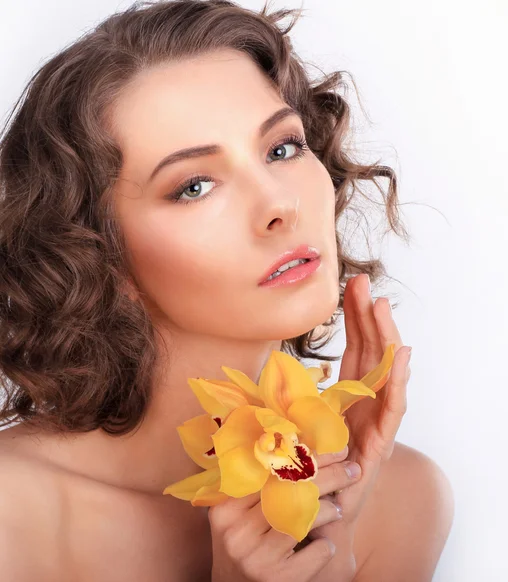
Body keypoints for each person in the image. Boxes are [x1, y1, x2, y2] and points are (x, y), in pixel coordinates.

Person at [0, 1, 454, 580]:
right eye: (194, 186)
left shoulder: (399, 498)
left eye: (283, 148)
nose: (278, 206)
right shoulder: (12, 517)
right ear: (95, 253)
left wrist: (322, 523)